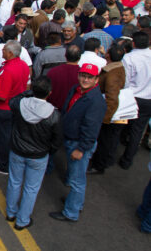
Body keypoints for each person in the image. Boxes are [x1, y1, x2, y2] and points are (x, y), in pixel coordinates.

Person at [49, 63, 106, 222]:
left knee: (76, 180)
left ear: (96, 79)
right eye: (83, 75)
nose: (85, 79)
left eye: (89, 77)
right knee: (76, 177)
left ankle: (71, 212)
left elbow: (91, 129)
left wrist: (81, 149)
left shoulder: (95, 101)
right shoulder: (76, 89)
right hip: (71, 139)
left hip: (79, 144)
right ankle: (75, 202)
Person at [6, 77, 63, 230]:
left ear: (32, 89)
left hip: (17, 150)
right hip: (39, 156)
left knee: (14, 181)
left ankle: (11, 213)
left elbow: (13, 100)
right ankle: (22, 220)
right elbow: (57, 140)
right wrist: (49, 152)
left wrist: (28, 92)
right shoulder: (54, 114)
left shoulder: (19, 104)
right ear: (50, 93)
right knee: (31, 188)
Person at [0, 40, 30, 175]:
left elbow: (1, 95)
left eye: (4, 50)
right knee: (11, 135)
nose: (1, 51)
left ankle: (3, 164)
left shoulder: (8, 70)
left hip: (3, 109)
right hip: (16, 106)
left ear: (10, 53)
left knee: (3, 137)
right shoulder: (23, 65)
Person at [86, 44, 126, 175]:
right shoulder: (117, 68)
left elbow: (112, 98)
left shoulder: (111, 74)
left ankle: (98, 165)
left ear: (108, 55)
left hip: (108, 115)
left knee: (104, 140)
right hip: (109, 113)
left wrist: (105, 119)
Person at [120, 31, 151, 170]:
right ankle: (127, 159)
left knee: (122, 124)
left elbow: (125, 81)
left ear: (133, 43)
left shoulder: (129, 58)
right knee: (138, 130)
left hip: (132, 97)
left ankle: (117, 149)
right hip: (148, 99)